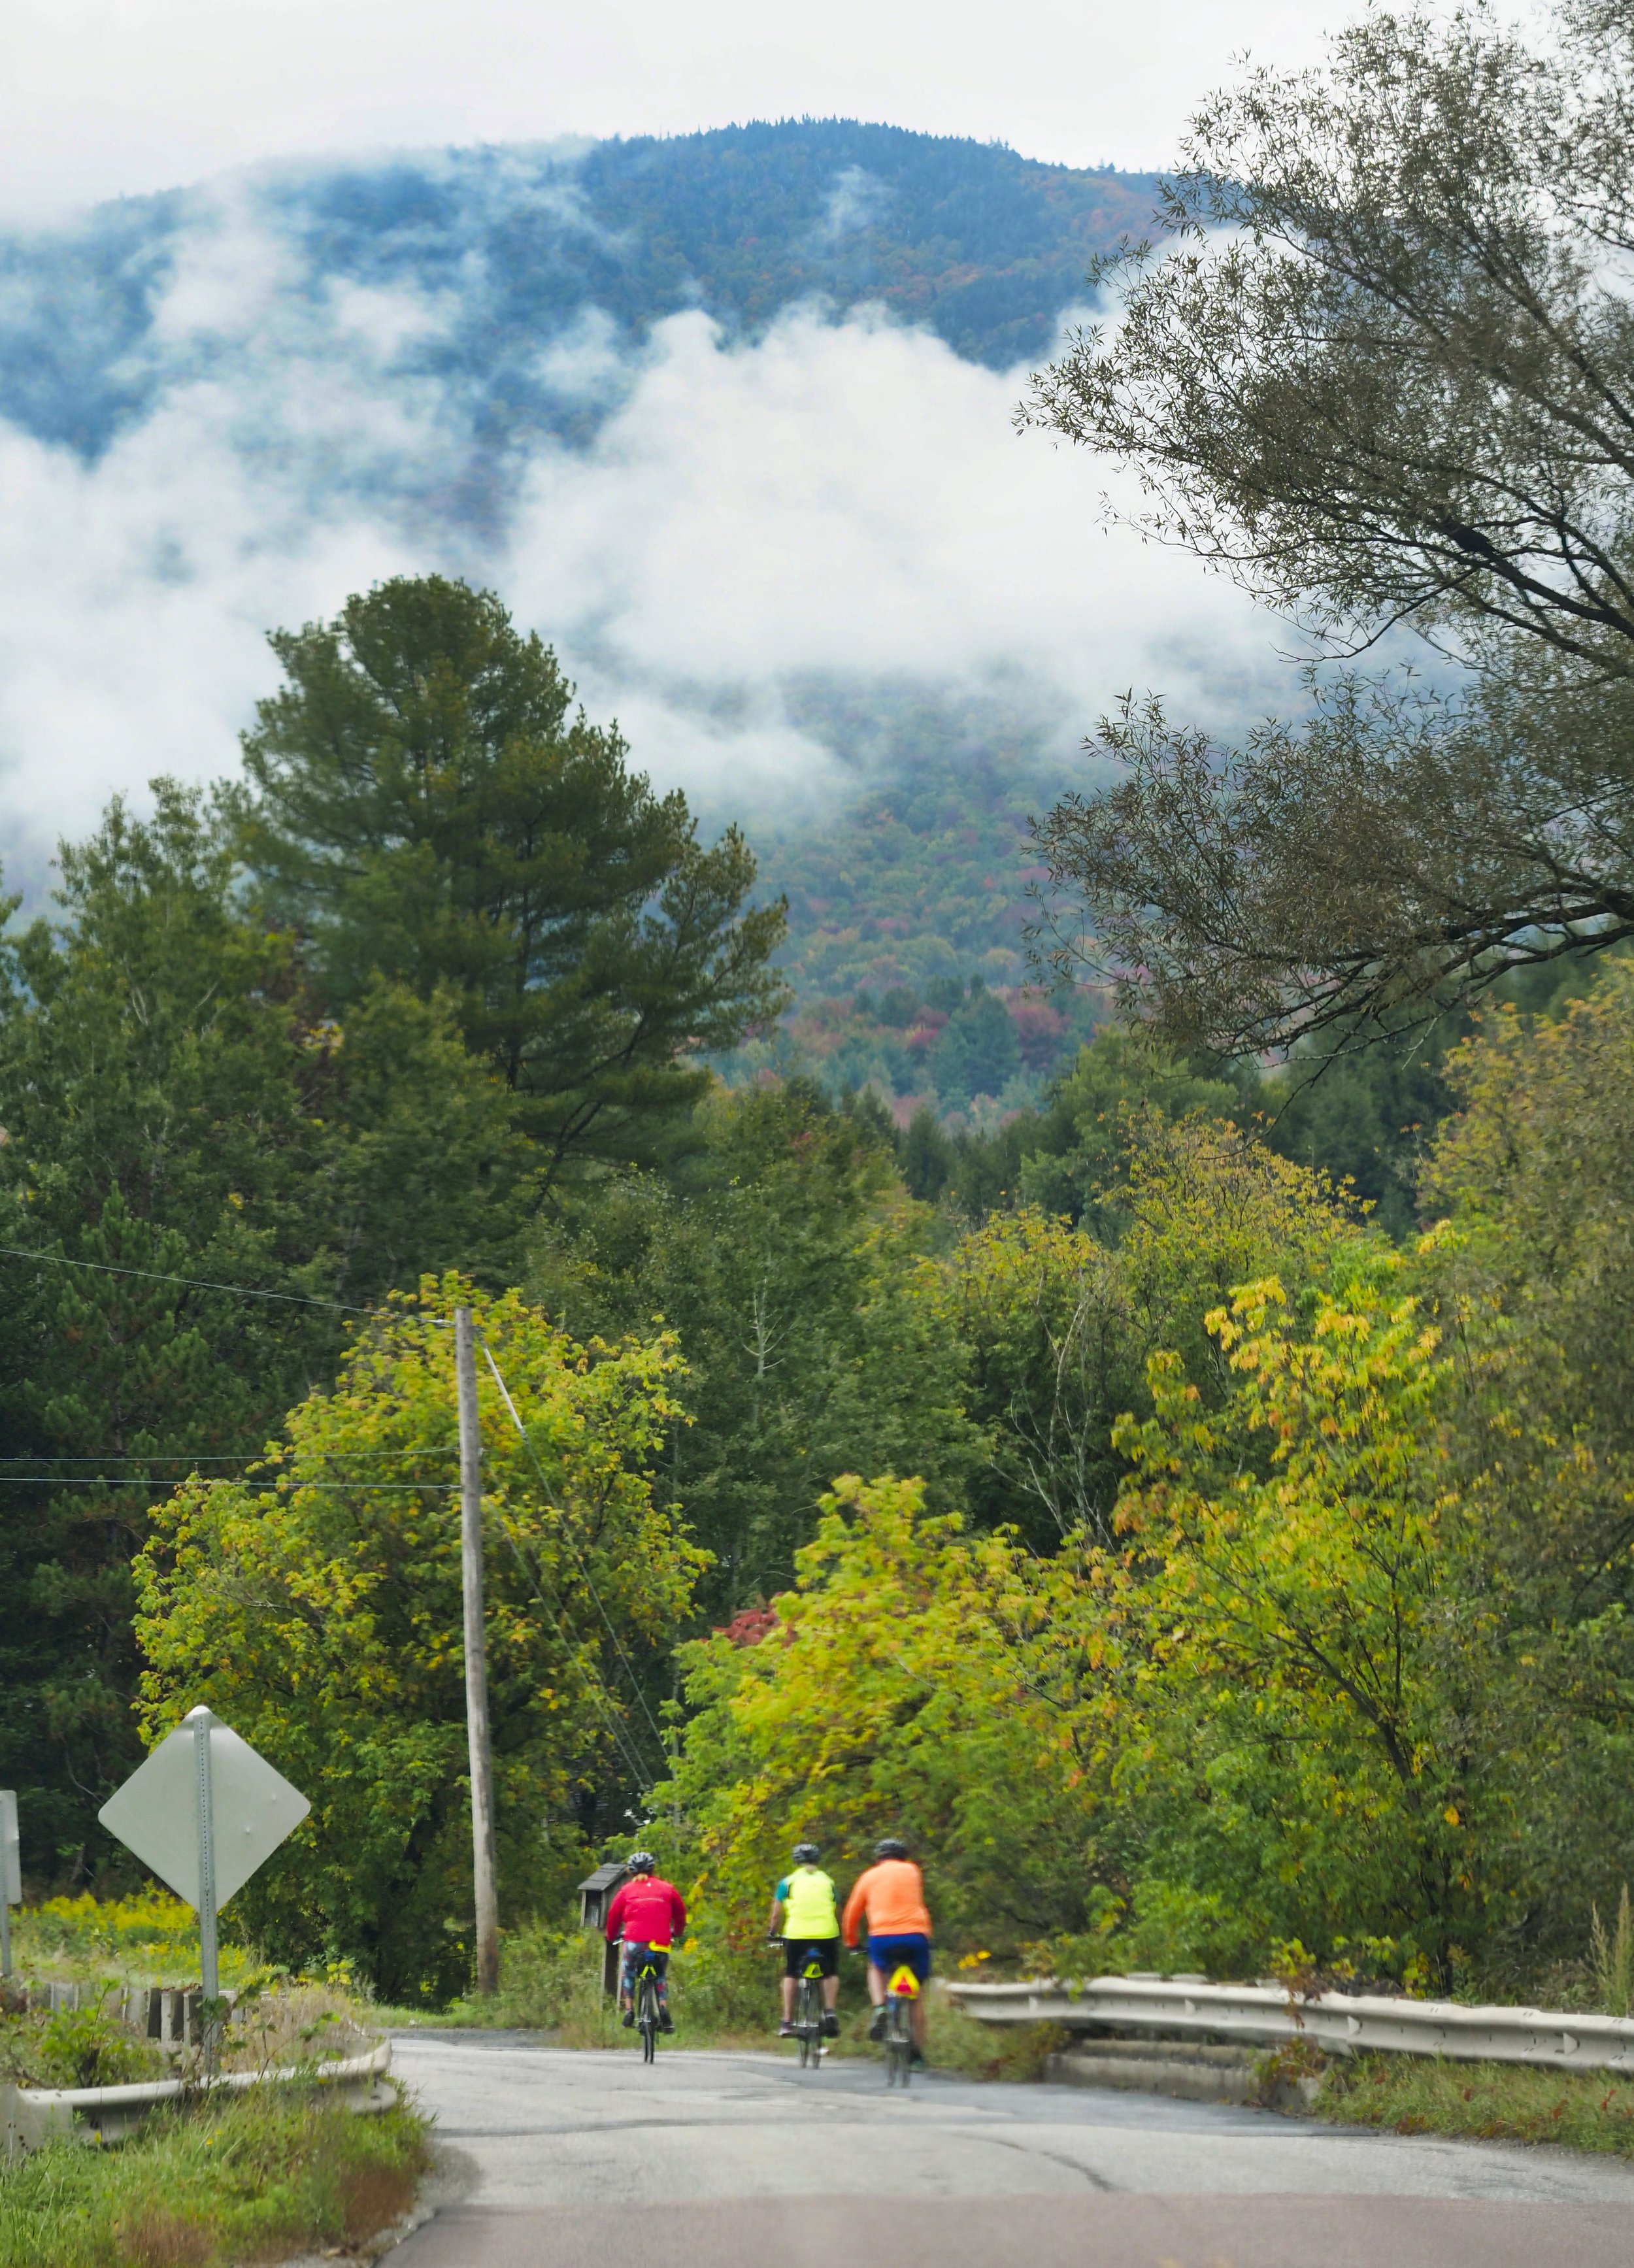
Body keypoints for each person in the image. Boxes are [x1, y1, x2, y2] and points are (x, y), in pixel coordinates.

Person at [841, 1836, 932, 2060]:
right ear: (903, 1857)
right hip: (915, 1936)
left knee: (875, 1966)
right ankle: (917, 2056)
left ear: (878, 1859)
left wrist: (851, 1942)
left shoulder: (868, 1876)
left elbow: (852, 1914)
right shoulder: (913, 1871)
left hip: (882, 1937)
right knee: (916, 1997)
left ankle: (880, 2006)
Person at [766, 1842, 842, 2040]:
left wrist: (772, 1934)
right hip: (827, 1934)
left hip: (796, 1935)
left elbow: (776, 1915)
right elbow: (835, 1907)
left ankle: (787, 2021)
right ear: (817, 1861)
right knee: (830, 1972)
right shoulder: (828, 1881)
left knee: (791, 1973)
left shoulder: (787, 1882)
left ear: (796, 1861)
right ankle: (830, 2011)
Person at [604, 1851, 686, 2033]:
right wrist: (678, 1932)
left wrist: (611, 1936)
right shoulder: (668, 1888)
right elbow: (681, 1913)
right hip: (660, 1943)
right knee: (660, 1975)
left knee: (628, 1970)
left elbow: (613, 1916)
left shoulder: (626, 1890)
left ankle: (629, 2010)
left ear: (631, 1872)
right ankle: (663, 2008)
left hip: (634, 1942)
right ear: (653, 1870)